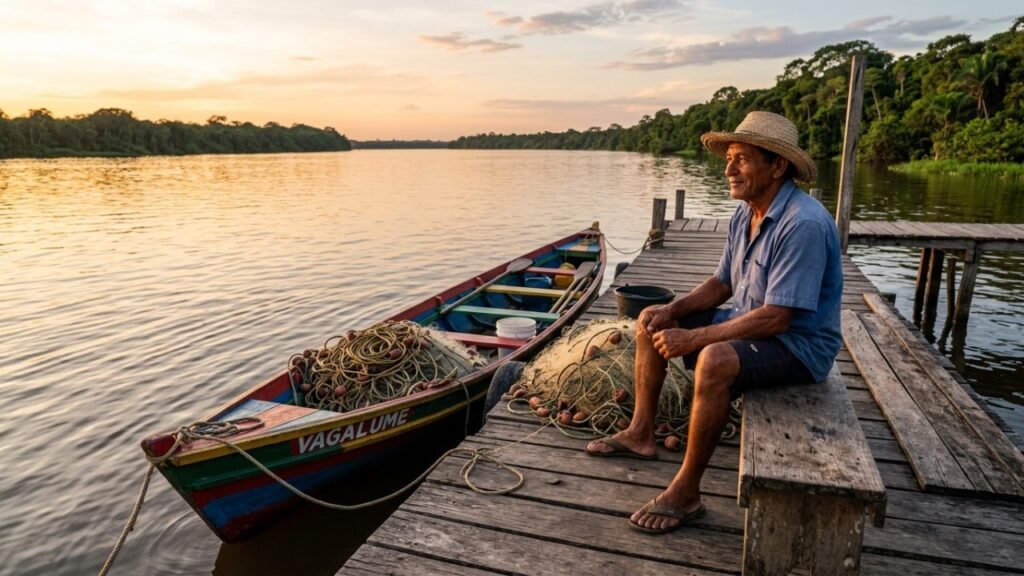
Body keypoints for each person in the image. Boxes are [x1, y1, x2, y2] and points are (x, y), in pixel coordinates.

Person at [584, 111, 843, 534]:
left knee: (715, 359)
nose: (729, 168)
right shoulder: (747, 211)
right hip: (748, 319)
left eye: (742, 158)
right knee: (652, 320)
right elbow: (723, 282)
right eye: (729, 158)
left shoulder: (803, 224)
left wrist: (696, 337)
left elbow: (779, 317)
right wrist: (674, 311)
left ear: (777, 165)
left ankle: (687, 492)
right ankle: (640, 433)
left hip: (800, 347)